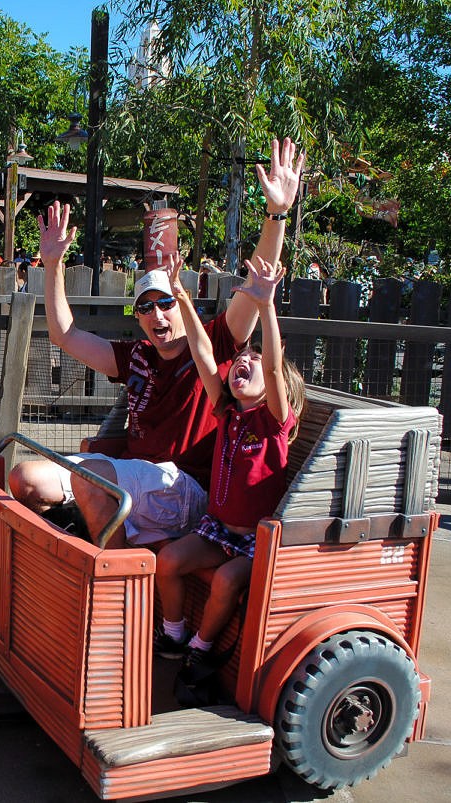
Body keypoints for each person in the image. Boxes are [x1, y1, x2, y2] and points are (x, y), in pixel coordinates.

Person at [7, 137, 305, 548]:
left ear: (181, 303)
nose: (155, 315)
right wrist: (54, 262)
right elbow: (65, 334)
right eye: (144, 308)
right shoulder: (138, 357)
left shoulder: (217, 342)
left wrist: (276, 214)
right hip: (133, 477)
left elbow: (258, 283)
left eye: (164, 303)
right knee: (23, 479)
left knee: (90, 483)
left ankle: (114, 589)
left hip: (183, 486)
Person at [153, 254, 305, 675]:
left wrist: (266, 305)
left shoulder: (273, 419)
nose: (246, 361)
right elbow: (203, 353)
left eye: (251, 362)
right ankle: (175, 633)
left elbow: (273, 367)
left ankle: (200, 649)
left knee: (225, 581)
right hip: (216, 529)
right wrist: (181, 294)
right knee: (167, 561)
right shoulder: (227, 412)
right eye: (241, 359)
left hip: (255, 541)